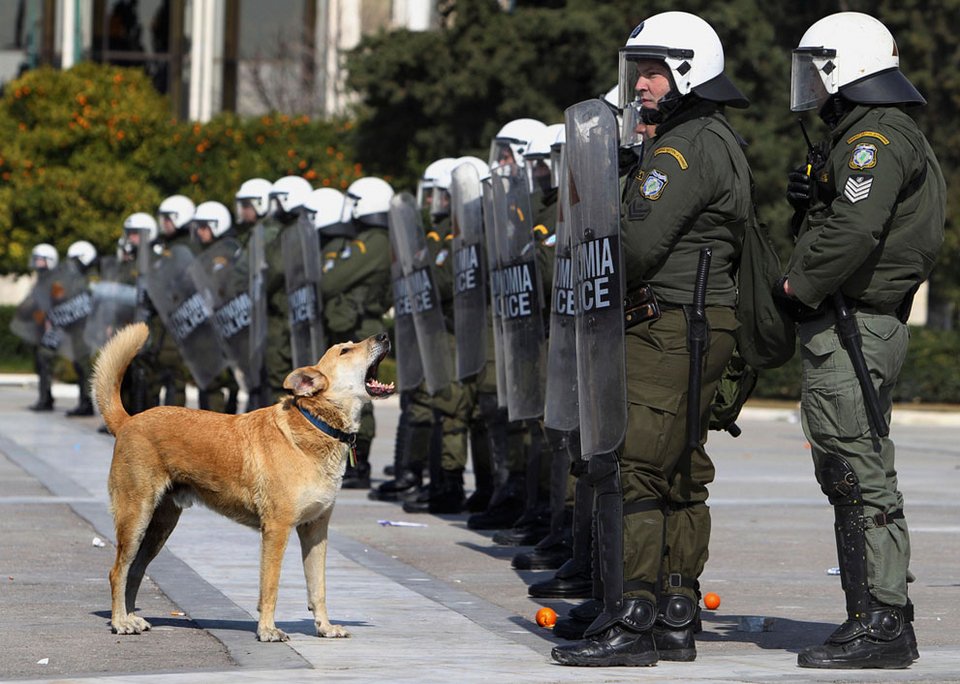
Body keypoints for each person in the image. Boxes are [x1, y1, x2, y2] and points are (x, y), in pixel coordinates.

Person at [552, 11, 750, 667]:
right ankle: (671, 612)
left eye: (655, 69)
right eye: (638, 68)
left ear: (691, 70)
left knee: (632, 469)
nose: (641, 82)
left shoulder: (682, 148)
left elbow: (633, 244)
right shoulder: (703, 137)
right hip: (694, 324)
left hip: (670, 324)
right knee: (678, 474)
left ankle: (630, 620)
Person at [779, 12, 944, 670]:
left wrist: (796, 286)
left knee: (858, 471)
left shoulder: (874, 139)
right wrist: (811, 195)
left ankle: (880, 621)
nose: (811, 82)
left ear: (848, 66)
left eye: (820, 66)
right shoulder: (864, 135)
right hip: (855, 321)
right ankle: (877, 614)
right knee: (851, 468)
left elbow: (854, 231)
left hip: (855, 323)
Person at [320, 176, 393, 489]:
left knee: (361, 394)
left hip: (361, 327)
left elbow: (331, 281)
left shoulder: (374, 241)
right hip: (350, 323)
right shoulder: (363, 239)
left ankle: (359, 464)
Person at [64, 240, 99, 416]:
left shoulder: (91, 278)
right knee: (79, 364)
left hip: (88, 329)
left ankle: (86, 403)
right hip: (78, 328)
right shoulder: (78, 278)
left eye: (75, 261)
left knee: (84, 366)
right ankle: (83, 401)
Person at [25, 244, 60, 411]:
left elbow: (57, 303)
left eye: (40, 259)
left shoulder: (54, 280)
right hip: (39, 329)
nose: (37, 262)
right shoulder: (40, 280)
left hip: (50, 330)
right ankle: (46, 397)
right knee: (39, 364)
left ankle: (45, 400)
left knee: (45, 363)